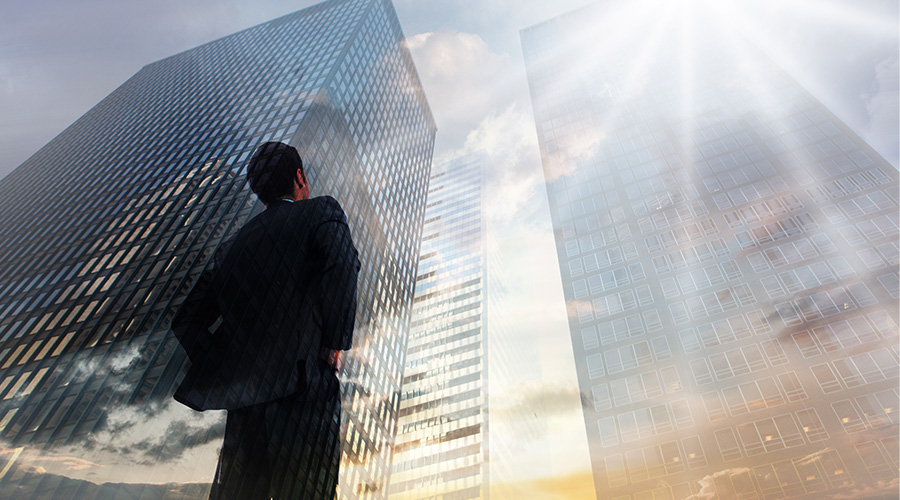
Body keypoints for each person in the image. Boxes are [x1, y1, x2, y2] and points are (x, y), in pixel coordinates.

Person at [171, 141, 360, 499]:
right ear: (300, 177)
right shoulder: (321, 211)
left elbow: (186, 320)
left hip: (246, 407)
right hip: (303, 389)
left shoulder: (231, 247)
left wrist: (233, 369)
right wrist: (333, 343)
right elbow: (343, 263)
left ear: (259, 192)